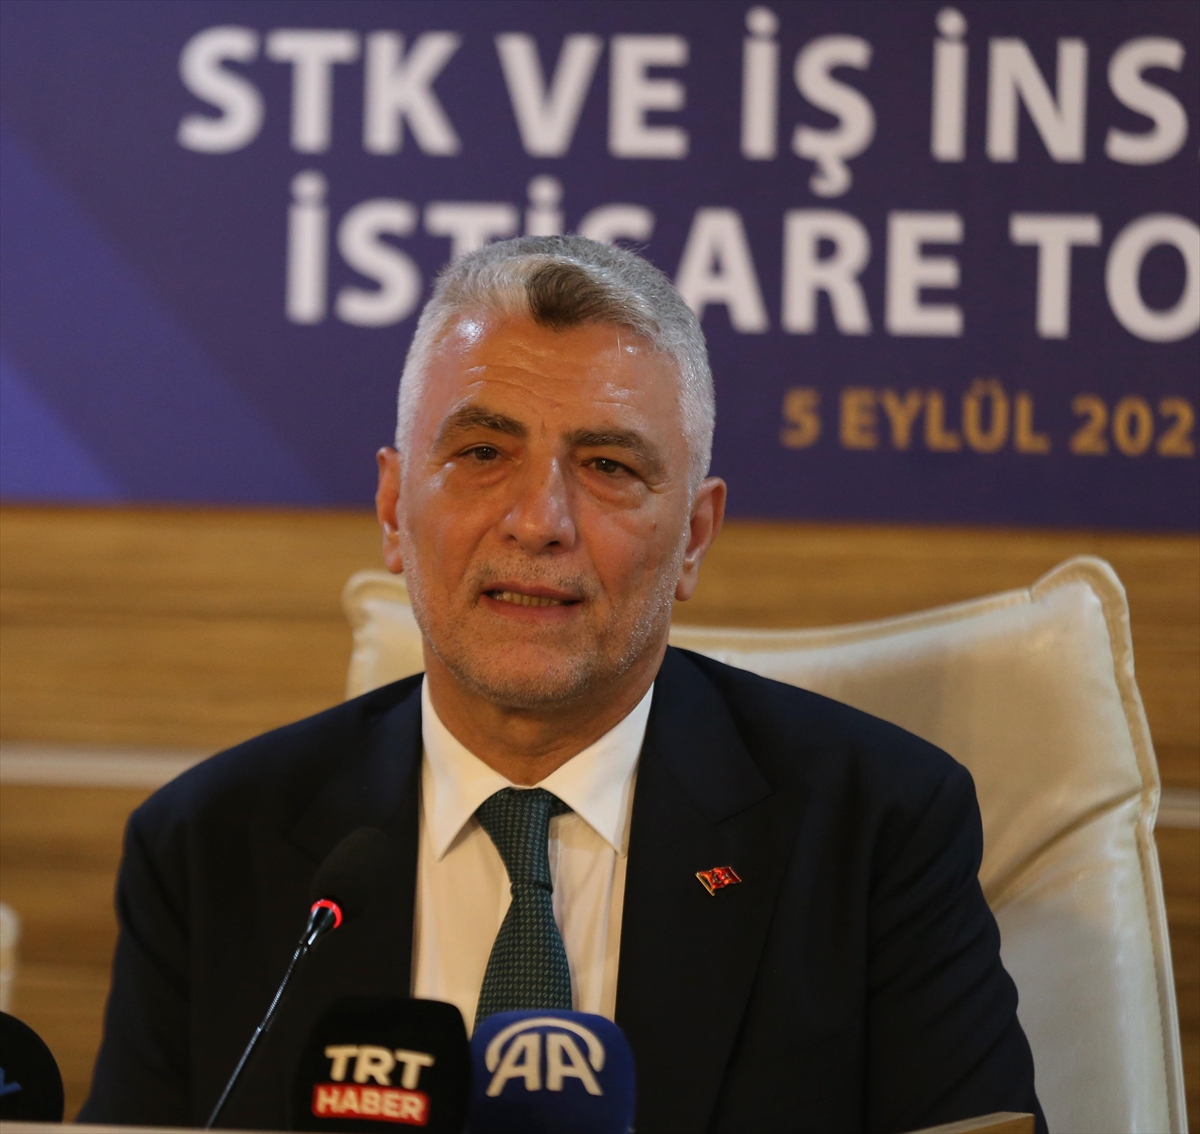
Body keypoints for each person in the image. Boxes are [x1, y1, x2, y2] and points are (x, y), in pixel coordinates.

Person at [80, 236, 1043, 1133]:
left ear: (694, 537)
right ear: (392, 506)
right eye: (482, 454)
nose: (539, 520)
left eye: (609, 465)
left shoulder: (877, 835)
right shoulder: (208, 850)